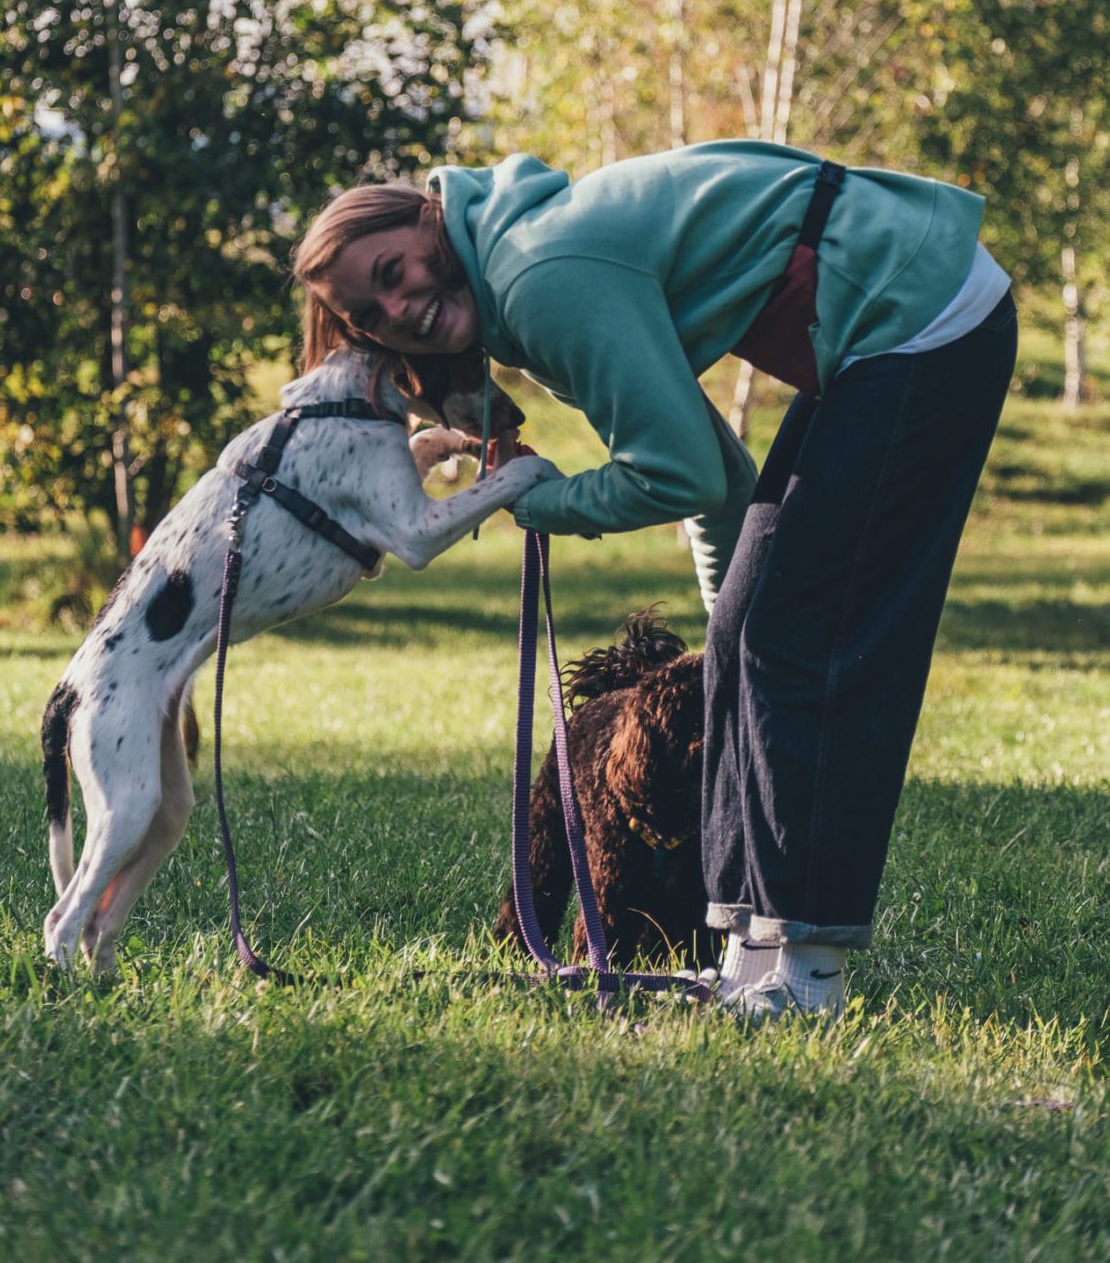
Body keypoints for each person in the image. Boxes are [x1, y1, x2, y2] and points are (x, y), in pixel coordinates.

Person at [292, 140, 1017, 1019]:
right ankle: (755, 965)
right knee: (759, 642)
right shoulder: (524, 275)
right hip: (891, 318)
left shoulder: (537, 276)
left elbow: (674, 472)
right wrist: (736, 633)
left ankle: (808, 975)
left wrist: (537, 498)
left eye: (393, 269)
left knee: (805, 647)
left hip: (920, 312)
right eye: (373, 311)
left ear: (423, 213)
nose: (401, 305)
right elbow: (719, 474)